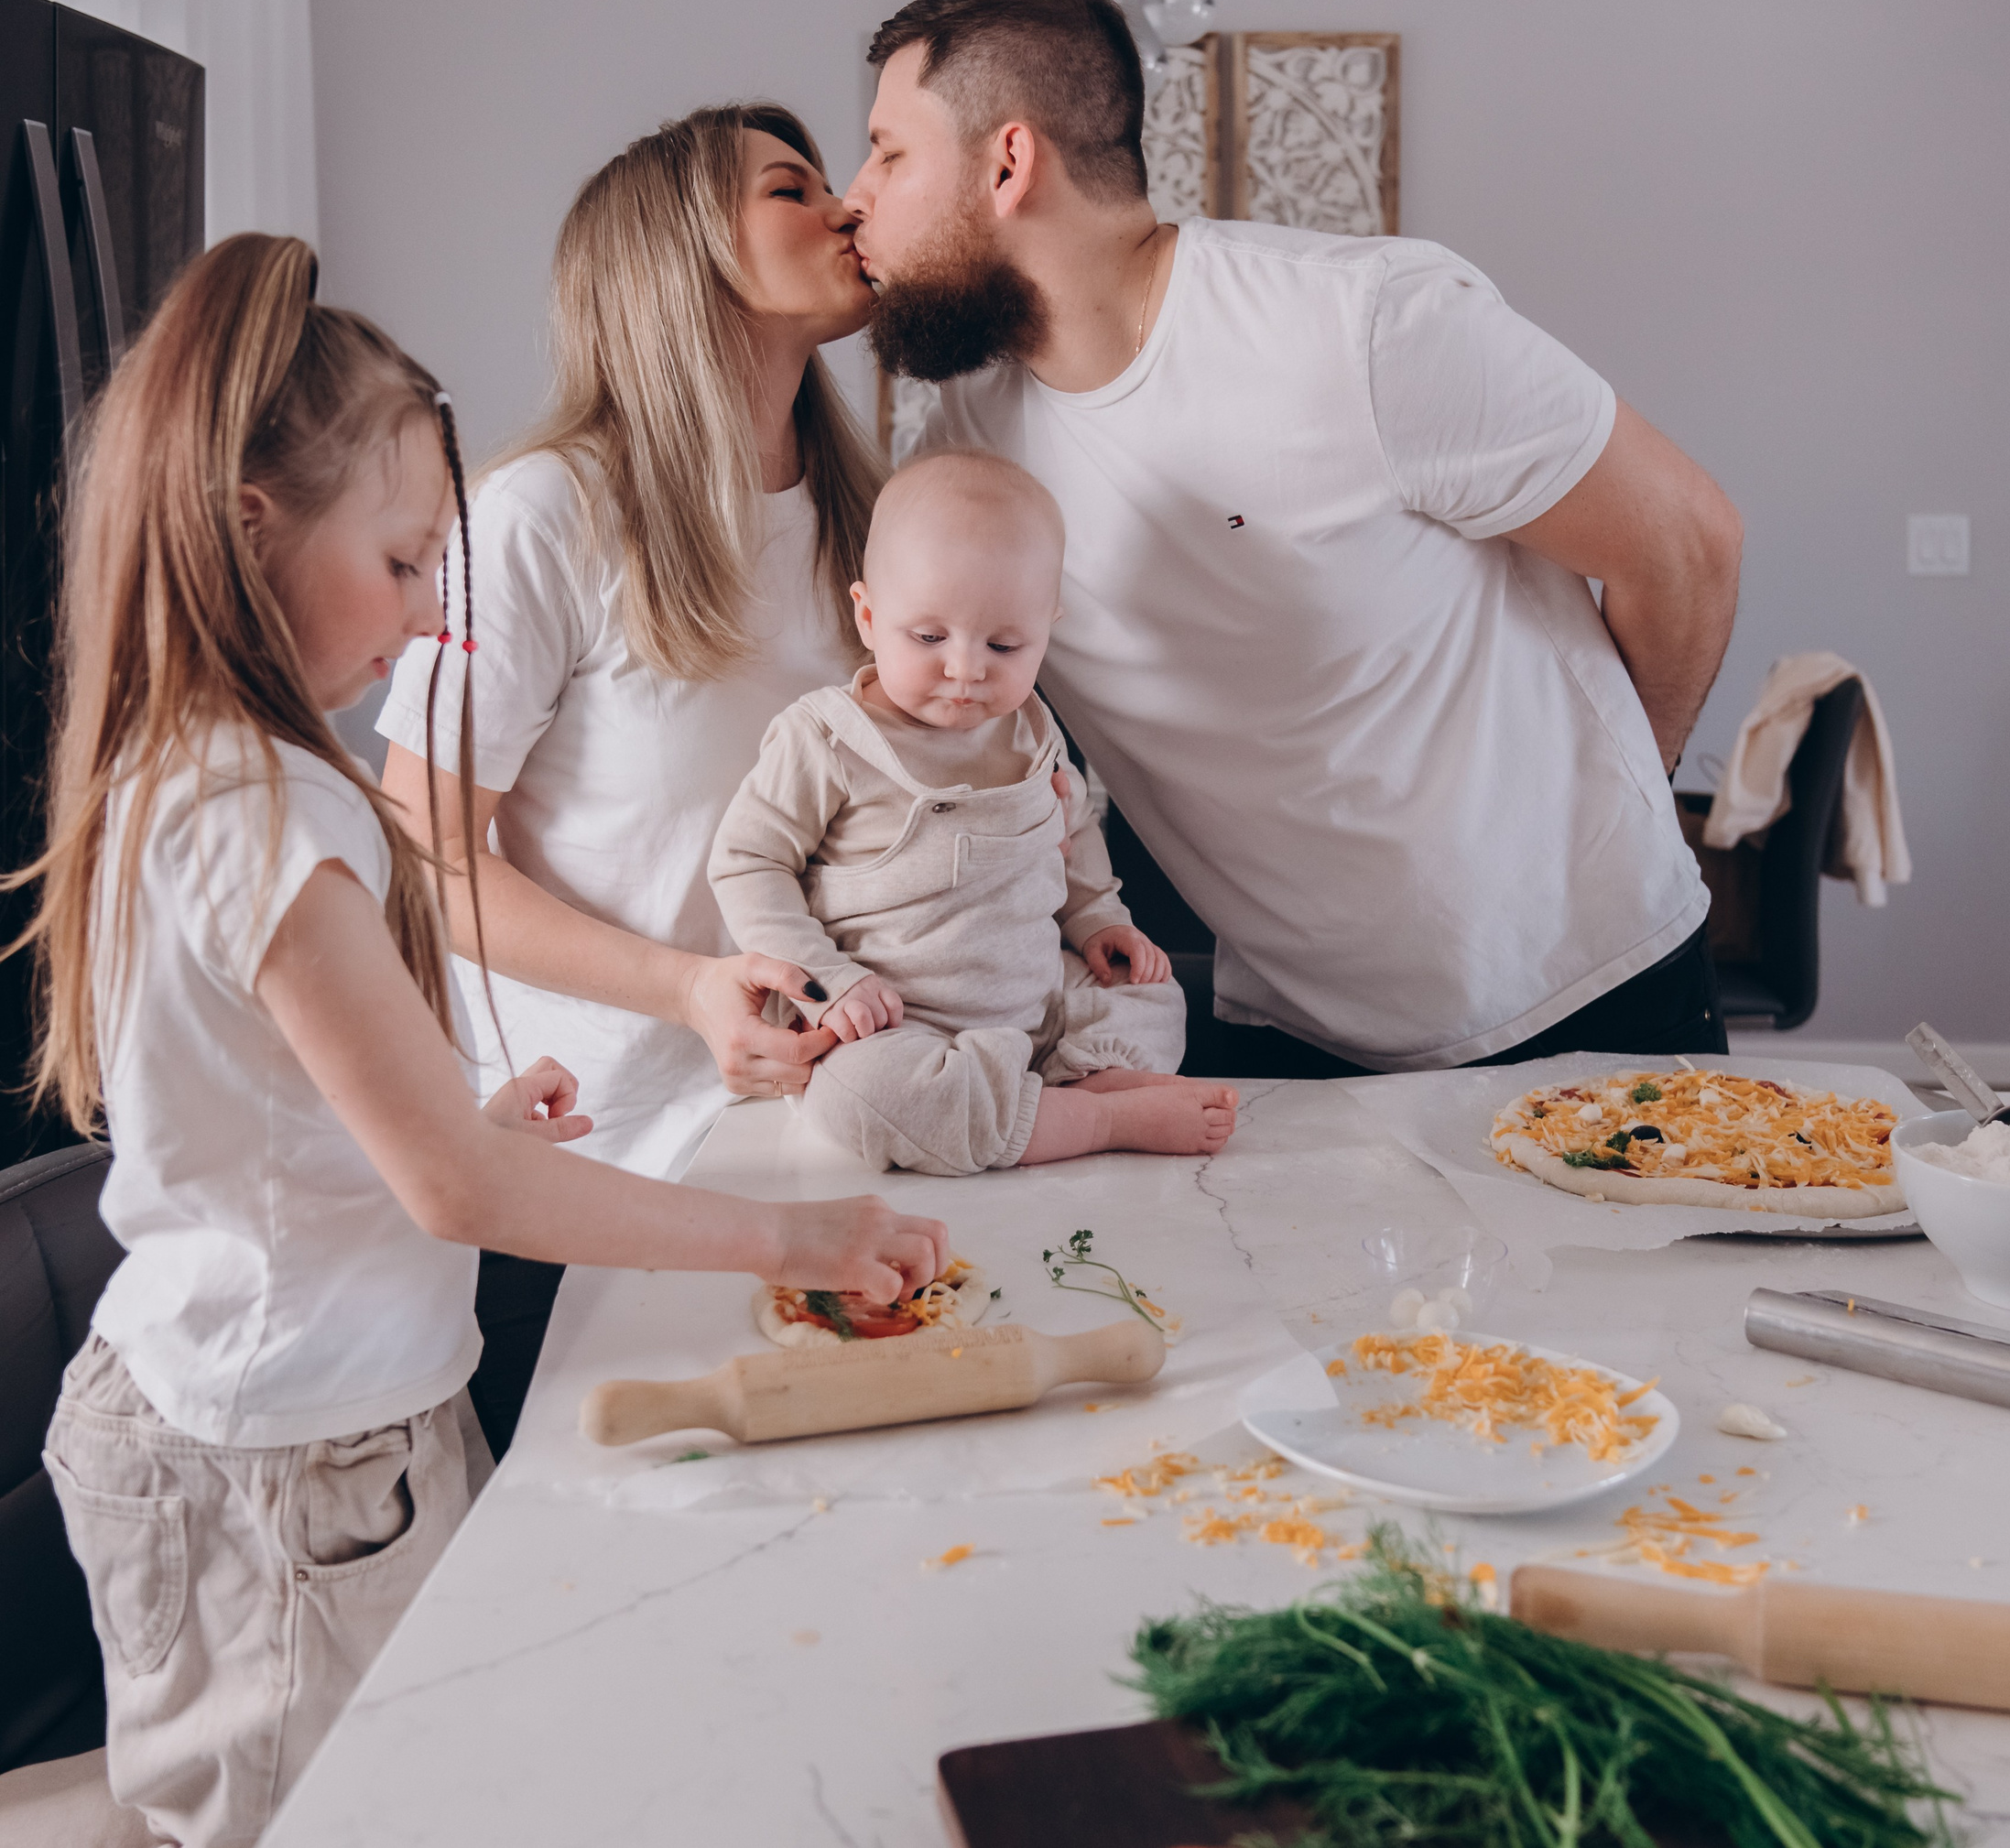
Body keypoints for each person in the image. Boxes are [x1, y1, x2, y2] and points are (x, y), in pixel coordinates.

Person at [13, 236, 945, 1848]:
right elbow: (451, 1191)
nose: (429, 606)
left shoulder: (200, 765)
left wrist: (471, 1099)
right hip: (285, 1469)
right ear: (252, 532)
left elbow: (283, 1101)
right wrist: (796, 1235)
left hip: (317, 1426)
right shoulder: (273, 810)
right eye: (398, 561)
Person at [844, 0, 1744, 1079]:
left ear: (1008, 162)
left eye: (888, 152)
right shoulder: (971, 443)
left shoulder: (1363, 326)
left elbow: (1688, 543)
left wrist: (1612, 812)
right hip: (1303, 1034)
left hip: (1595, 983)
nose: (856, 193)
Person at [377, 103, 874, 1450]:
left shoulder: (860, 514)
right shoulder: (540, 515)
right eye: (794, 188)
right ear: (683, 255)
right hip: (597, 1171)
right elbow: (426, 853)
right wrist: (687, 988)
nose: (850, 209)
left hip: (819, 1141)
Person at [709, 448, 1234, 1173]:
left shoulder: (1033, 728)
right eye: (928, 637)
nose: (966, 668)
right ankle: (1098, 1116)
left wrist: (1098, 920)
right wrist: (829, 984)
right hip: (894, 1021)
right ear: (867, 615)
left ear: (1047, 629)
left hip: (1035, 1002)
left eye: (1005, 643)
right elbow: (748, 862)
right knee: (859, 1098)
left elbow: (1071, 828)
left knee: (1150, 991)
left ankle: (1080, 1075)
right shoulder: (828, 739)